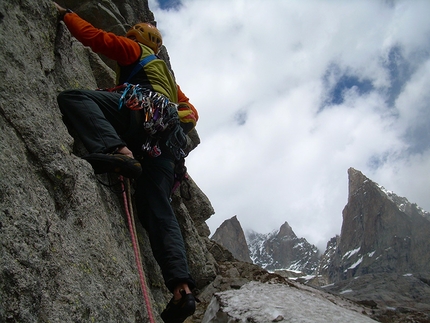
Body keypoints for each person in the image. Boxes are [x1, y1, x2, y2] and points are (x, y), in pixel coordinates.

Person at [53, 3, 198, 322]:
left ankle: (117, 151)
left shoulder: (136, 50)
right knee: (158, 208)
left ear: (138, 37)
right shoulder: (170, 81)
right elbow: (192, 113)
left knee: (75, 98)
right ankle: (182, 290)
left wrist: (65, 14)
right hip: (167, 146)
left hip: (140, 112)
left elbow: (96, 38)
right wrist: (170, 114)